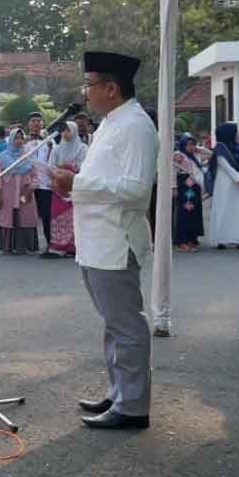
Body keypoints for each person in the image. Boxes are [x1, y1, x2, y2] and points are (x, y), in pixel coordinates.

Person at [51, 51, 157, 429]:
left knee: (126, 325)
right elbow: (104, 180)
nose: (85, 93)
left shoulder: (136, 126)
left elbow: (137, 190)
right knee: (114, 323)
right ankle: (120, 392)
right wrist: (71, 183)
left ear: (111, 88)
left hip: (116, 241)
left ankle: (133, 406)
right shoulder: (112, 123)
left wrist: (77, 183)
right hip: (96, 240)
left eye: (89, 85)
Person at [0, 129, 39, 254]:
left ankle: (24, 246)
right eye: (16, 138)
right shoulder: (2, 156)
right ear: (11, 140)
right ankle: (8, 246)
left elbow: (36, 176)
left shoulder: (29, 155)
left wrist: (30, 189)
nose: (19, 141)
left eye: (21, 138)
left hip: (25, 193)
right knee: (8, 217)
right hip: (7, 193)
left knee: (25, 217)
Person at [46, 121, 88, 257]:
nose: (65, 133)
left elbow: (86, 166)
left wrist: (70, 167)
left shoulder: (83, 148)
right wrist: (58, 171)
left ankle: (73, 246)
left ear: (74, 131)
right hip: (59, 187)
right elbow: (50, 166)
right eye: (63, 130)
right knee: (58, 216)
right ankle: (59, 245)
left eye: (68, 130)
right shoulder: (57, 149)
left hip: (75, 186)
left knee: (74, 216)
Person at [209, 122, 239, 250]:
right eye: (235, 132)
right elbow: (225, 165)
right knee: (224, 210)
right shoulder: (220, 149)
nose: (237, 134)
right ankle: (222, 239)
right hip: (225, 185)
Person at [25, 111, 58, 257]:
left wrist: (50, 147)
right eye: (33, 121)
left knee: (46, 214)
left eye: (38, 121)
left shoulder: (50, 141)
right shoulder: (23, 140)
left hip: (45, 184)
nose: (36, 123)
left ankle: (50, 244)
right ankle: (26, 244)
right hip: (29, 183)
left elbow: (54, 159)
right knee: (25, 211)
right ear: (28, 123)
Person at [172, 136, 205, 252]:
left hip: (194, 188)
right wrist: (173, 187)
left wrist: (199, 149)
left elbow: (210, 154)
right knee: (184, 213)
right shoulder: (178, 155)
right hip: (184, 187)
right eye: (188, 144)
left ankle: (191, 239)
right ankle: (181, 241)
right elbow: (173, 172)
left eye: (192, 144)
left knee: (193, 213)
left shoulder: (195, 155)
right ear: (182, 145)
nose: (190, 147)